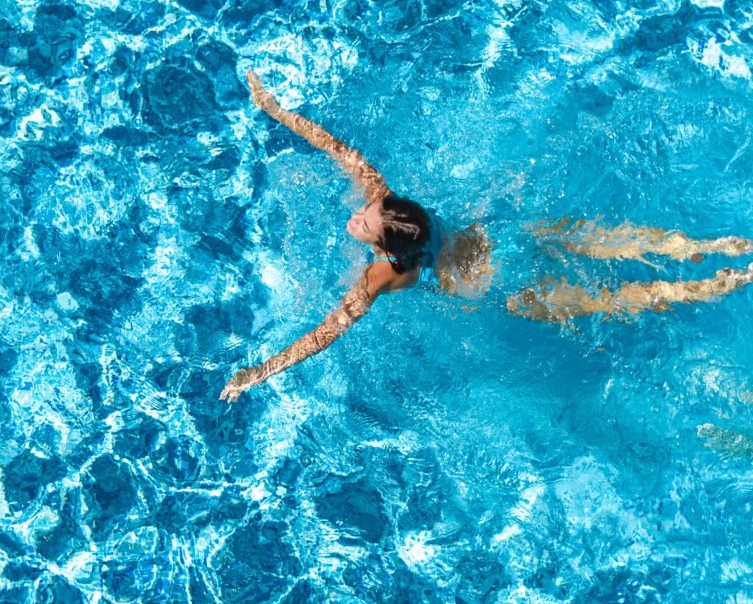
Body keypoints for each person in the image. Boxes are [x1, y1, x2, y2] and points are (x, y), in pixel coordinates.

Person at [219, 71, 753, 403]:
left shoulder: (381, 276)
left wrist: (258, 372)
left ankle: (712, 283)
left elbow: (323, 335)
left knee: (606, 301)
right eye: (367, 211)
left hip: (498, 288)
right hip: (503, 240)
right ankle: (728, 251)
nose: (359, 215)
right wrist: (274, 109)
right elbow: (338, 149)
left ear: (386, 249)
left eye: (366, 222)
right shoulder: (397, 208)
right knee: (609, 242)